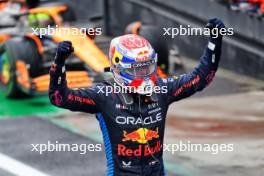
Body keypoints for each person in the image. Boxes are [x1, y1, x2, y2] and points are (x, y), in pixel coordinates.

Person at [49, 18, 225, 176]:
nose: (143, 74)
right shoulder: (104, 95)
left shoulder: (161, 89)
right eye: (137, 69)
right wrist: (59, 64)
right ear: (119, 66)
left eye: (147, 67)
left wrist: (214, 43)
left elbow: (200, 78)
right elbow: (59, 98)